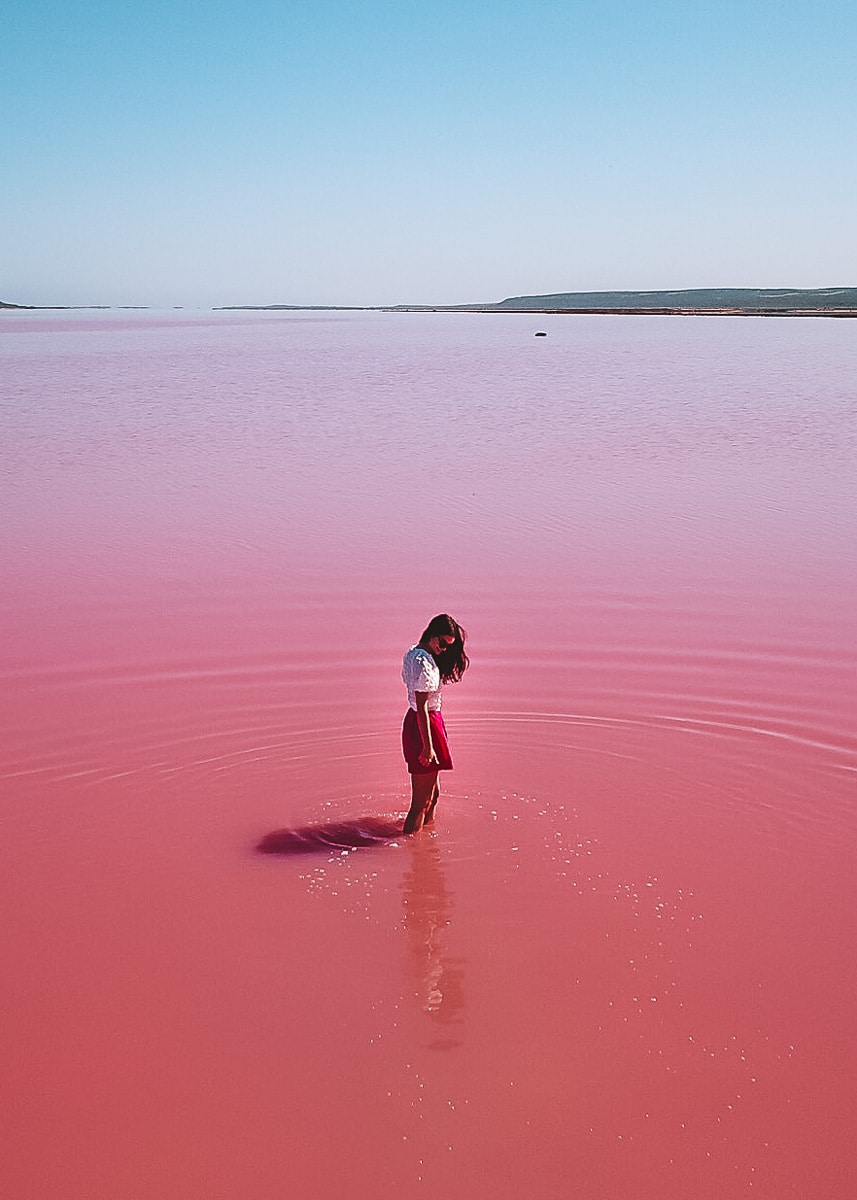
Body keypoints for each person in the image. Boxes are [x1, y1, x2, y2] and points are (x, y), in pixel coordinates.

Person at [401, 614, 469, 834]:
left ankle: (426, 842)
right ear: (431, 634)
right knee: (421, 803)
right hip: (424, 724)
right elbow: (421, 706)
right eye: (442, 643)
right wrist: (427, 746)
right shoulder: (422, 662)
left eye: (448, 646)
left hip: (426, 722)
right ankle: (412, 850)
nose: (444, 649)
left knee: (434, 794)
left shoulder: (416, 653)